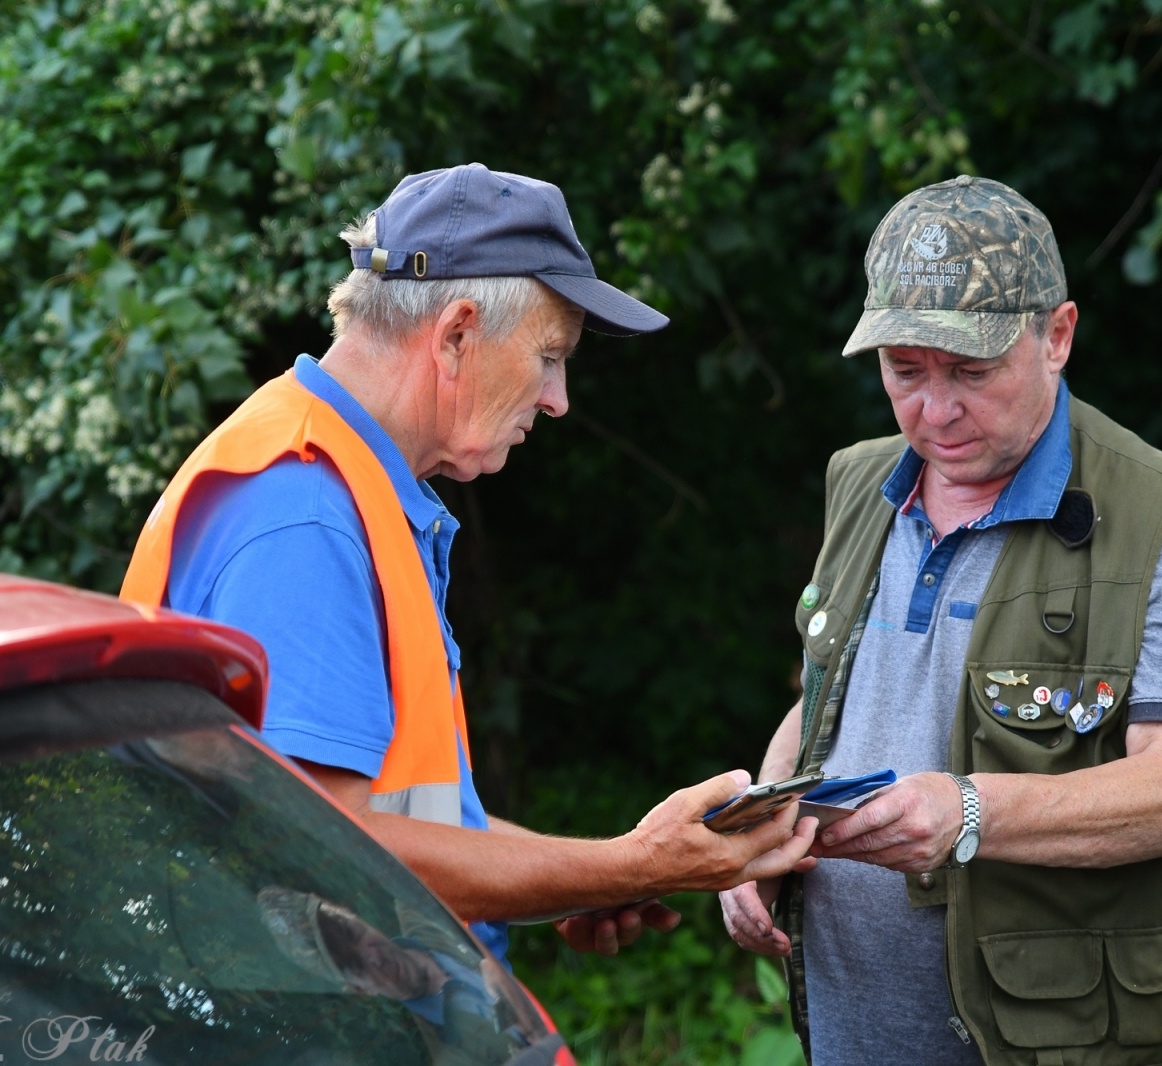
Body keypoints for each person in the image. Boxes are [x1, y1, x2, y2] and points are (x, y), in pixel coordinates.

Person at [121, 163, 816, 965]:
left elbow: (414, 821)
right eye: (549, 356)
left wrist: (575, 879)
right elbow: (324, 848)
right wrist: (632, 863)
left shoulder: (341, 482)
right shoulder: (307, 514)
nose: (557, 399)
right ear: (455, 335)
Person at [719, 175, 1162, 1066]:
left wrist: (970, 811)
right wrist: (761, 834)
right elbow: (829, 698)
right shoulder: (860, 481)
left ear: (1057, 336)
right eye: (904, 371)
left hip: (1064, 1041)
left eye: (970, 371)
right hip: (853, 1034)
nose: (934, 411)